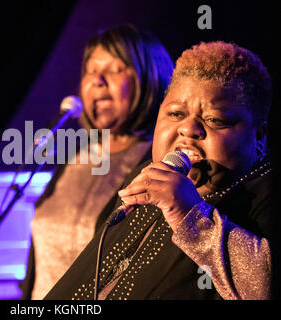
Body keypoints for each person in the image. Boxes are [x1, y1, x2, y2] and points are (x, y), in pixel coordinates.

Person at [44, 41, 278, 300]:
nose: (188, 129)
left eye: (214, 119)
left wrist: (190, 215)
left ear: (259, 135)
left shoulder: (265, 191)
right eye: (176, 114)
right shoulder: (148, 174)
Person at [21, 24, 174, 299]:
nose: (97, 81)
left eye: (115, 69)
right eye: (91, 70)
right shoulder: (75, 156)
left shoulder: (159, 165)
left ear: (150, 79)